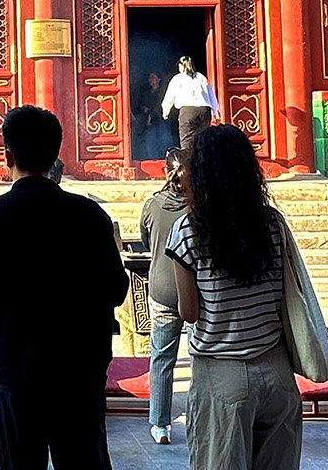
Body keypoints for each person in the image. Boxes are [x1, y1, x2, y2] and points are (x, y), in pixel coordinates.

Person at [0, 106, 128, 470]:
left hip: (16, 372)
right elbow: (116, 290)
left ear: (7, 155)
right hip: (80, 374)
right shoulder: (89, 216)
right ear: (56, 156)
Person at [165, 125, 307, 470]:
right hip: (276, 371)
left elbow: (189, 312)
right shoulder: (273, 223)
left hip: (221, 372)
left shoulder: (188, 229)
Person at [140, 147, 190, 444]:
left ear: (164, 171)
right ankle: (199, 417)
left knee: (162, 357)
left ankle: (160, 424)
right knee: (201, 358)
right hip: (196, 291)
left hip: (161, 287)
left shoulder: (152, 205)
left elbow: (146, 239)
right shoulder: (200, 205)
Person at [161, 56, 219, 152]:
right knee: (203, 140)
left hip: (188, 111)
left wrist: (165, 111)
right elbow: (211, 94)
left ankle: (188, 163)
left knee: (187, 141)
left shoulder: (178, 78)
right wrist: (216, 112)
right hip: (204, 111)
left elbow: (170, 96)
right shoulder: (201, 77)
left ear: (181, 66)